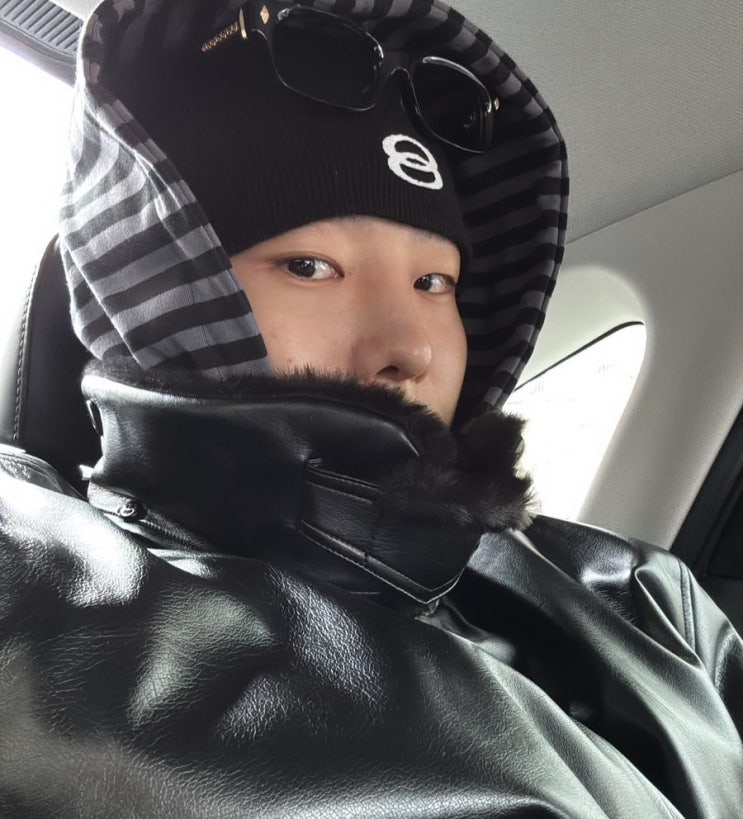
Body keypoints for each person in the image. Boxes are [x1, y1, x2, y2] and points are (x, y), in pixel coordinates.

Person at [0, 0, 741, 816]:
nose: (411, 344)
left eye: (434, 283)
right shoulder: (33, 583)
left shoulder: (639, 594)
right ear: (165, 291)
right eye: (310, 266)